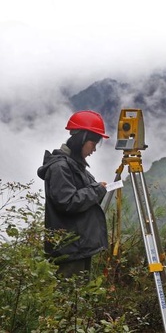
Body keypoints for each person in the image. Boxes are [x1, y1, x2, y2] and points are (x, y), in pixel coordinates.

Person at [37, 110, 110, 279]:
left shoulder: (74, 165)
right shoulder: (60, 167)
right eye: (93, 143)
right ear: (82, 140)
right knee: (68, 300)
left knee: (79, 300)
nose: (94, 149)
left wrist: (96, 188)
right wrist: (96, 190)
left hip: (79, 247)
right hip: (70, 249)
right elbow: (67, 202)